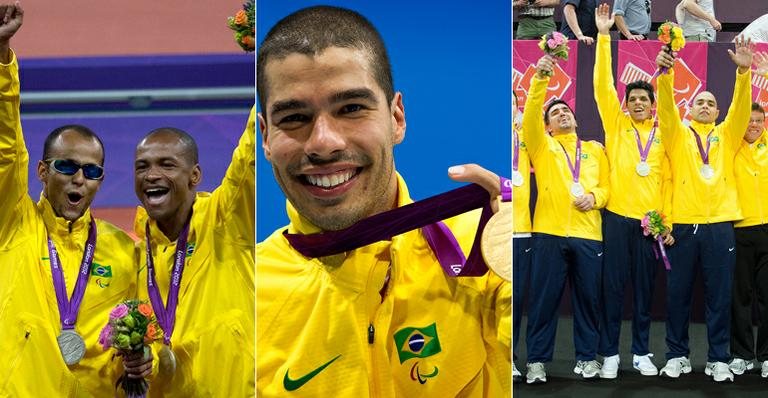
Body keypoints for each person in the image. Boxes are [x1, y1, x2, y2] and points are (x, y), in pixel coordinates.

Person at [256, 5, 511, 397]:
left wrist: (525, 246)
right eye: (293, 117)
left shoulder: (486, 253)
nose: (324, 142)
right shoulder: (245, 290)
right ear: (266, 137)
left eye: (352, 108)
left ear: (396, 117)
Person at [0, 2, 150, 396]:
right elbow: (6, 147)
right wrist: (1, 58)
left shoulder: (122, 250)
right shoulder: (14, 224)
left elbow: (138, 331)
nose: (80, 179)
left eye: (92, 171)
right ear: (43, 172)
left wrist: (142, 356)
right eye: (67, 167)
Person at [654, 36, 756, 383]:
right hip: (683, 225)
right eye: (700, 101)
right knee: (678, 296)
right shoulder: (677, 135)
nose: (706, 106)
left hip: (719, 227)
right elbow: (665, 108)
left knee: (719, 296)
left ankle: (718, 358)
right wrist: (665, 76)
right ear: (690, 107)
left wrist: (743, 74)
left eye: (711, 103)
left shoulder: (726, 135)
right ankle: (677, 355)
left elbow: (741, 110)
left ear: (717, 111)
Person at [133, 111, 256, 394]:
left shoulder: (226, 221)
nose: (152, 175)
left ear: (194, 176)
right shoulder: (135, 256)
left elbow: (249, 155)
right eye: (142, 167)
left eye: (167, 165)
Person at [592, 3, 672, 379]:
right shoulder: (617, 126)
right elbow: (601, 86)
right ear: (625, 105)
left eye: (644, 99)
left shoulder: (663, 136)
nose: (637, 103)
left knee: (644, 291)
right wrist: (604, 37)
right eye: (633, 99)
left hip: (649, 224)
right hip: (617, 219)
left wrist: (664, 220)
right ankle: (609, 353)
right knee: (612, 289)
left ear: (653, 106)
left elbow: (668, 182)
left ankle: (641, 351)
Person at [523, 55, 610, 384]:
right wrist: (541, 79)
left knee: (588, 301)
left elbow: (606, 186)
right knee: (544, 301)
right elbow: (531, 115)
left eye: (566, 111)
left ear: (575, 119)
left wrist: (596, 198)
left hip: (590, 235)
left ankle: (587, 358)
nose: (563, 114)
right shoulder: (543, 146)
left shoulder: (595, 149)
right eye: (555, 113)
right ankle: (536, 361)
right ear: (547, 125)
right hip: (549, 233)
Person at [730, 99, 768, 378]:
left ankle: (766, 356)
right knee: (739, 297)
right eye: (748, 120)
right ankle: (741, 355)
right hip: (739, 229)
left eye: (758, 120)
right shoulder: (729, 146)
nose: (753, 125)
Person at [512, 92, 532, 383]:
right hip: (483, 227)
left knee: (513, 300)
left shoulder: (525, 137)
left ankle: (510, 358)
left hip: (520, 230)